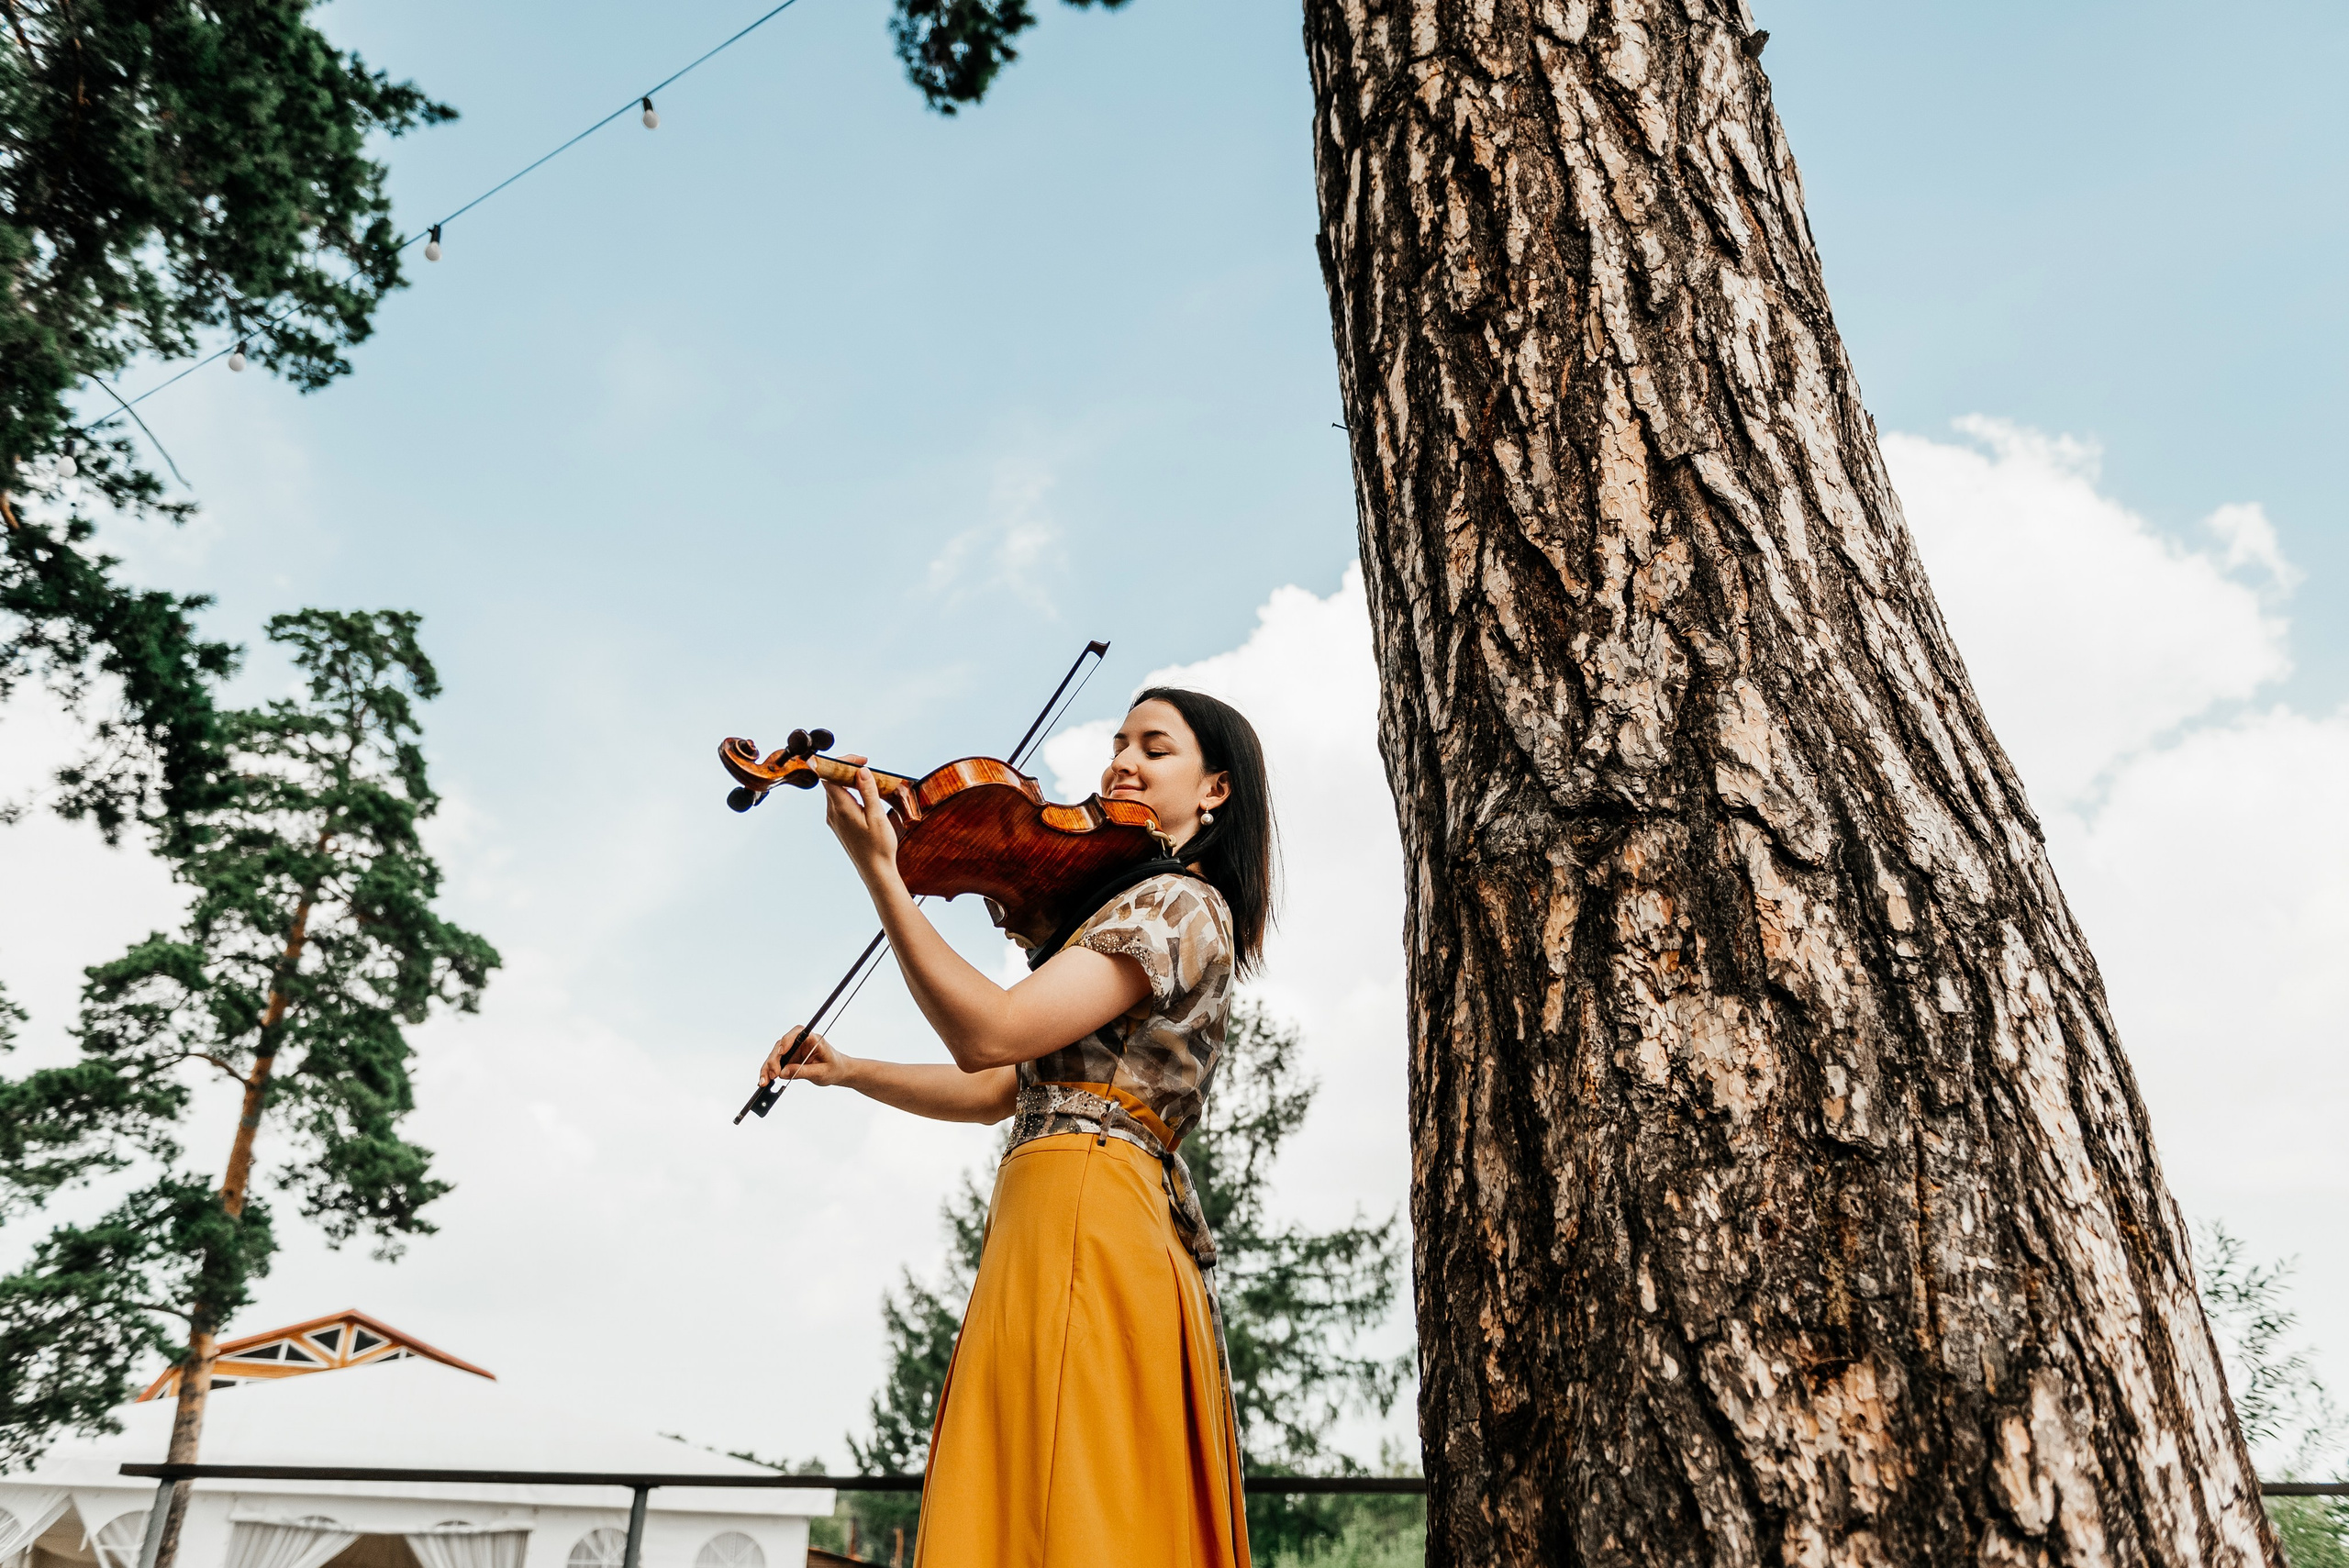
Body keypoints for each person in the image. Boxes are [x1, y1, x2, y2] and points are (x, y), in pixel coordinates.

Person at [760, 688, 1274, 1568]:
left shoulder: (1173, 903)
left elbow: (989, 1030)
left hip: (1088, 1202)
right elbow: (1005, 1083)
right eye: (1119, 743)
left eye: (1155, 748)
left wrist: (884, 873)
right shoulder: (1131, 904)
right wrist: (848, 1071)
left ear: (1215, 790)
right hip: (1066, 1194)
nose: (1122, 761)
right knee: (1054, 1470)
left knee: (1065, 1476)